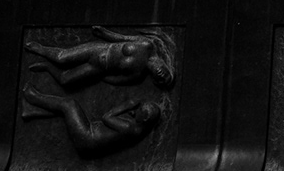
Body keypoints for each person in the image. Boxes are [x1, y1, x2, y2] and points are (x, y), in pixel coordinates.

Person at [20, 86, 161, 156]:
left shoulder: (129, 127)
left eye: (139, 110)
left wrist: (127, 105)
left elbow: (107, 117)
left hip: (86, 137)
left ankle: (34, 97)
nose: (135, 110)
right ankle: (31, 111)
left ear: (146, 118)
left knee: (69, 104)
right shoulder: (140, 128)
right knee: (69, 113)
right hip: (89, 135)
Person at [26, 27, 175, 90]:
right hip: (98, 50)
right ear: (165, 65)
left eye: (162, 79)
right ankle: (40, 48)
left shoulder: (138, 75)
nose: (163, 75)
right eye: (167, 74)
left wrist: (101, 77)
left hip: (98, 68)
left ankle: (46, 67)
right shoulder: (146, 45)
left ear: (155, 80)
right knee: (62, 58)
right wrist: (104, 33)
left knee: (66, 80)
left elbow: (117, 80)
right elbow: (121, 38)